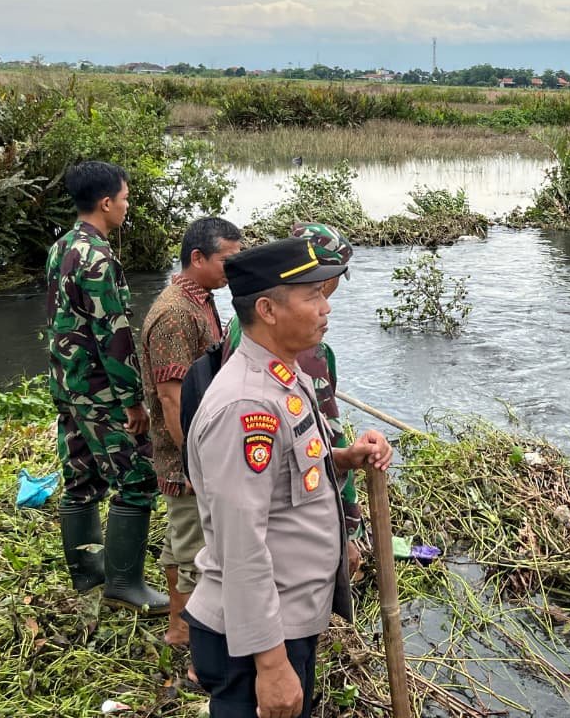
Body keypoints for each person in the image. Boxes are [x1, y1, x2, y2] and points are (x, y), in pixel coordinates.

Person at [184, 237, 392, 718]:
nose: (326, 309)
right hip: (256, 639)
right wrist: (273, 666)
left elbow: (288, 473)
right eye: (312, 297)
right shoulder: (246, 407)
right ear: (268, 310)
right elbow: (242, 543)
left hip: (286, 620)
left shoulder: (284, 374)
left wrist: (344, 458)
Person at [46, 160, 165, 613]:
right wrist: (133, 401)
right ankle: (123, 584)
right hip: (99, 389)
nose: (127, 207)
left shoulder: (61, 247)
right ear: (106, 202)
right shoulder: (97, 256)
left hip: (67, 382)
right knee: (137, 478)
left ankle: (87, 571)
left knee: (81, 476)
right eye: (126, 198)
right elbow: (112, 334)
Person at [224, 223, 367, 577]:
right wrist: (347, 530)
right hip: (292, 537)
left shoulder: (242, 323)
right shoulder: (308, 351)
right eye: (320, 286)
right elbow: (324, 442)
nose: (328, 302)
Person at [139, 217, 243, 654]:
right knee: (192, 546)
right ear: (197, 258)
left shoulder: (201, 299)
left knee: (182, 539)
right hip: (184, 453)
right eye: (227, 261)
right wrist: (196, 462)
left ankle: (182, 626)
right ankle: (184, 634)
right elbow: (170, 398)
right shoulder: (175, 314)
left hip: (197, 446)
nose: (232, 270)